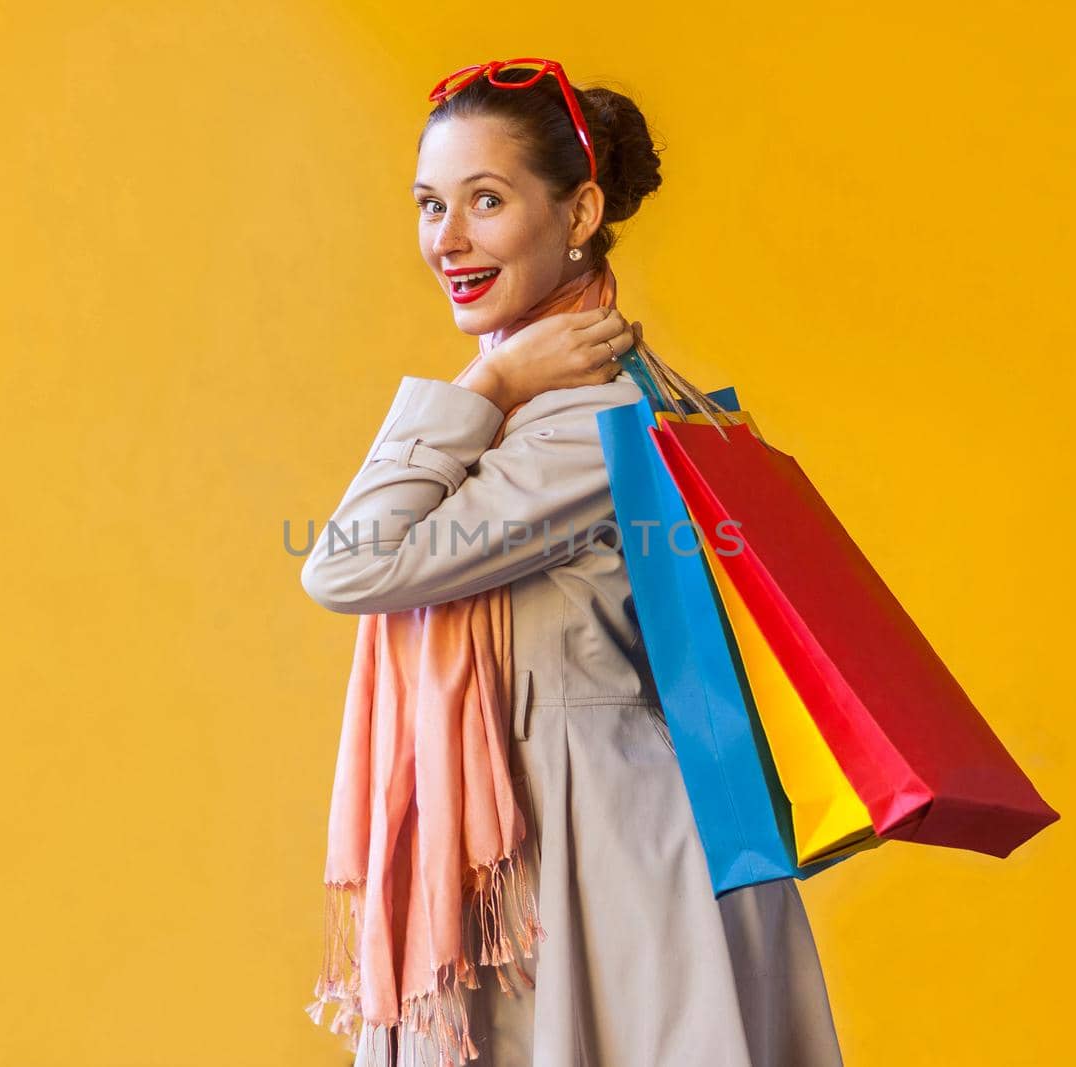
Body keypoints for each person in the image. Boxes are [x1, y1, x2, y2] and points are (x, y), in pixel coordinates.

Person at [300, 58, 845, 1067]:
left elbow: (350, 564)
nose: (447, 239)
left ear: (581, 210)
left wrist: (489, 376)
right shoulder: (561, 403)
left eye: (487, 200)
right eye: (429, 204)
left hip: (600, 866)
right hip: (560, 846)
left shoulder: (590, 416)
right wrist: (494, 387)